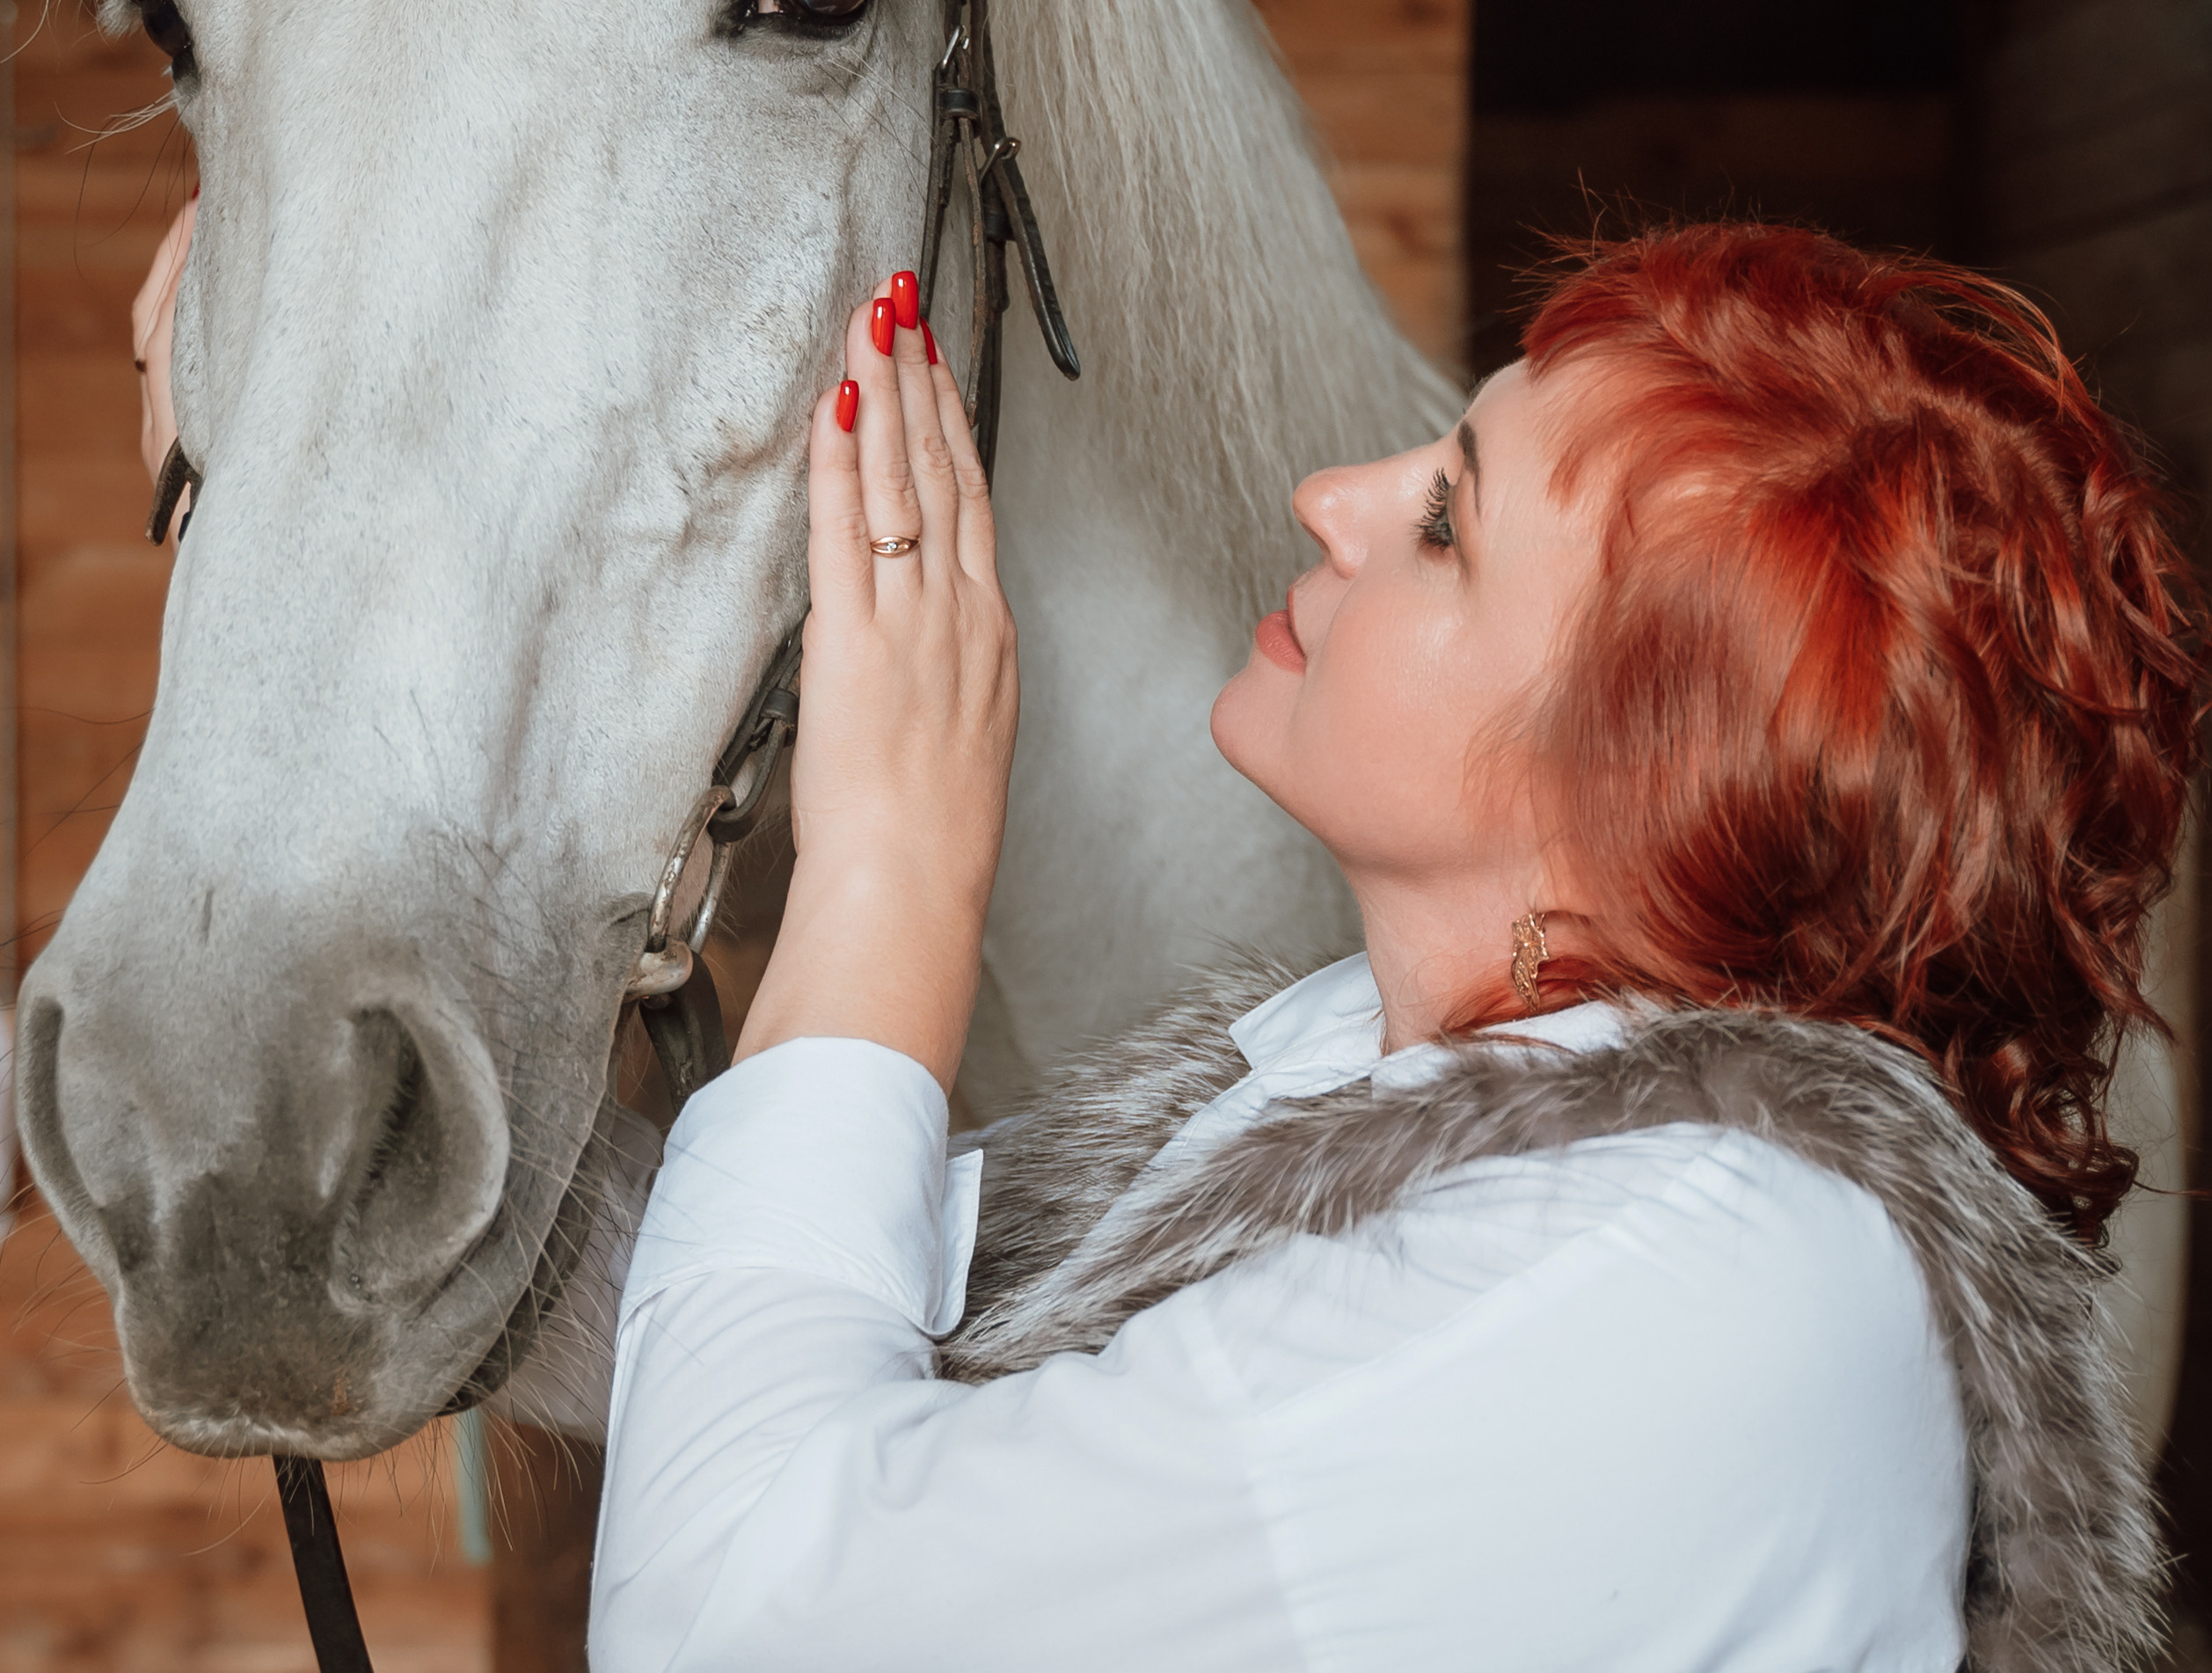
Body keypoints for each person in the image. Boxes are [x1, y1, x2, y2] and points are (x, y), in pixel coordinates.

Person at [135, 216, 2197, 1669]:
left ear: (1645, 783)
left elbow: (744, 1616)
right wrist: (270, 543)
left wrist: (888, 876)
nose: (1332, 494)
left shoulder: (1698, 1280)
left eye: (1449, 520)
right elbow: (774, 1335)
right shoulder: (1352, 1064)